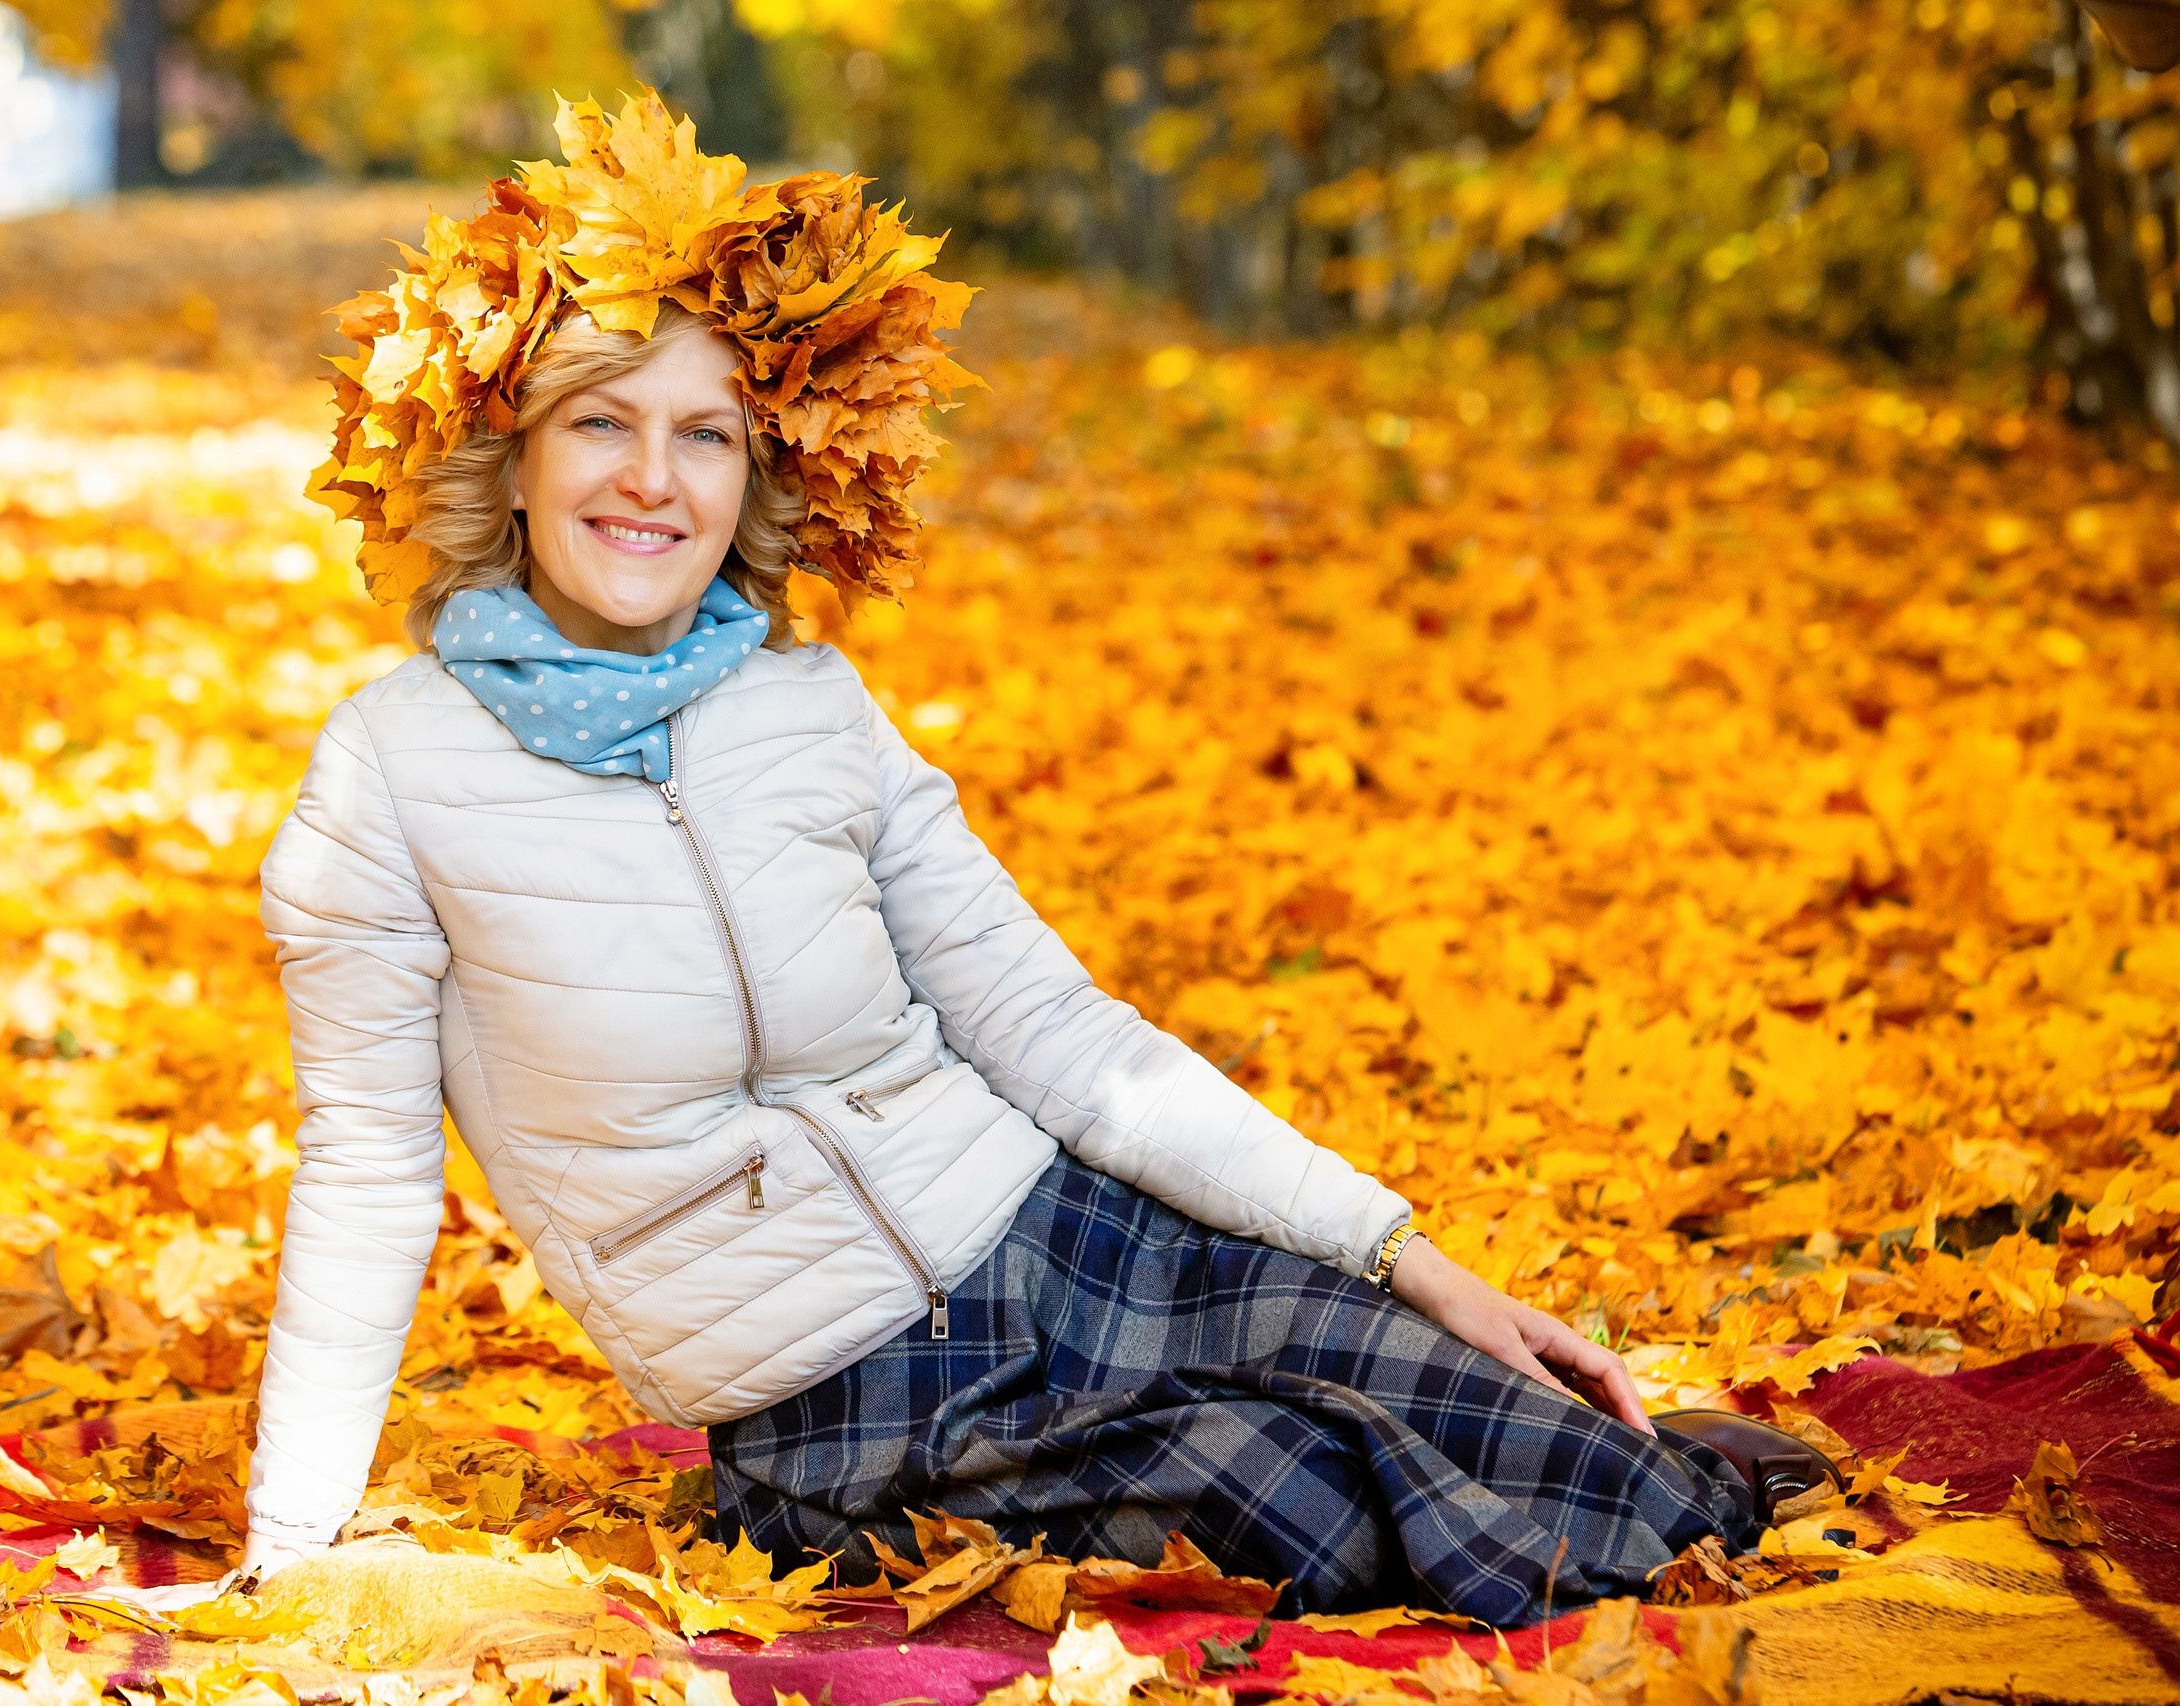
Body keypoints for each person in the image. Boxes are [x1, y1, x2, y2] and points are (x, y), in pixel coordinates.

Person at [245, 93, 1835, 1625]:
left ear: (756, 474)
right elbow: (369, 1174)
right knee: (1317, 1503)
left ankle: (1620, 1467)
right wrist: (288, 1542)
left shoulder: (812, 705)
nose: (653, 480)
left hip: (1065, 1236)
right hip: (845, 1411)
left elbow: (1064, 1040)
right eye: (600, 421)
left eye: (705, 435)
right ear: (510, 453)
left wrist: (1402, 1254)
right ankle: (1549, 1491)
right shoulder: (392, 776)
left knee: (1497, 1411)